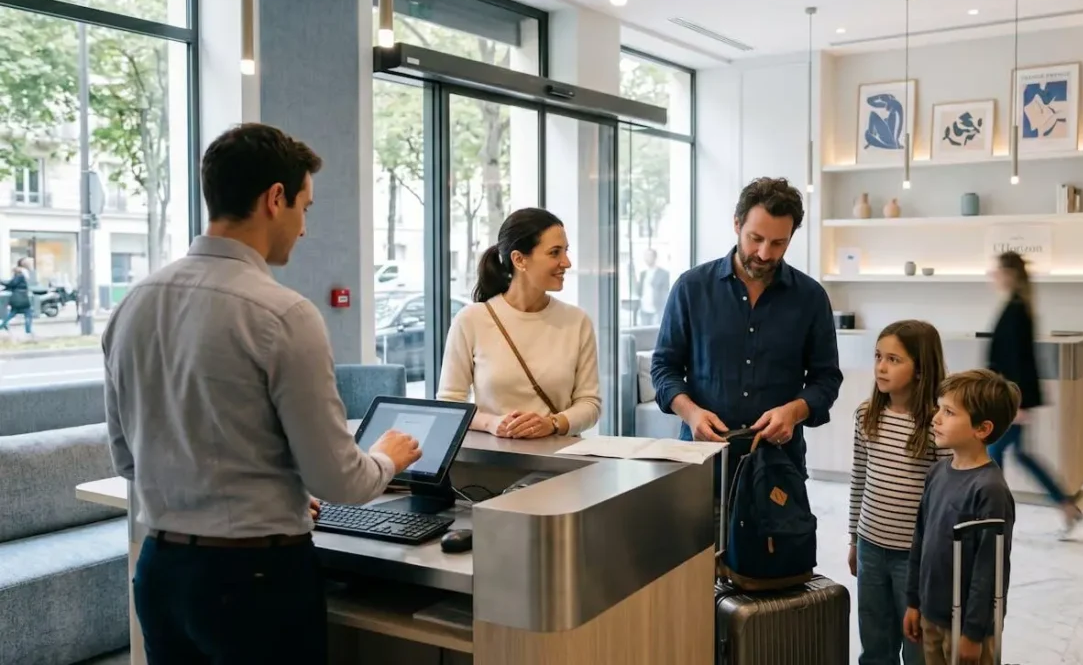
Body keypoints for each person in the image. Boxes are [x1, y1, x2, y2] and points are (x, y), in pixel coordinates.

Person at [102, 123, 423, 664]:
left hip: (160, 571)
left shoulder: (132, 304)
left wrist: (273, 491)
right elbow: (339, 480)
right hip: (253, 581)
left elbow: (127, 460)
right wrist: (386, 458)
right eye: (304, 207)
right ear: (275, 199)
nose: (304, 228)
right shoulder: (284, 314)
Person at [650, 176, 842, 477]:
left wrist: (794, 412)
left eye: (778, 243)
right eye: (756, 238)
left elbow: (827, 378)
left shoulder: (811, 298)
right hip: (701, 461)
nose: (765, 254)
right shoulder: (691, 288)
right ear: (737, 224)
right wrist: (691, 413)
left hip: (778, 466)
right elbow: (664, 368)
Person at [438, 207, 601, 438]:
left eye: (566, 251)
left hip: (559, 454)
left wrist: (552, 423)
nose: (566, 262)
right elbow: (449, 404)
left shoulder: (577, 321)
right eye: (555, 253)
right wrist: (491, 423)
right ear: (519, 259)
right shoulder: (471, 320)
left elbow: (590, 403)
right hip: (489, 455)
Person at [850, 320, 950, 665]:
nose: (881, 367)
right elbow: (860, 478)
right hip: (870, 548)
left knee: (918, 648)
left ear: (920, 369)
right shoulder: (867, 414)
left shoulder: (937, 425)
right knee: (875, 644)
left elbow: (944, 503)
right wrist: (854, 539)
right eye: (878, 356)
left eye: (893, 359)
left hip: (915, 558)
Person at [903, 369, 1018, 665]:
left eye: (949, 412)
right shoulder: (937, 473)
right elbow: (920, 541)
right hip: (931, 615)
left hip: (968, 629)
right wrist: (913, 601)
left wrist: (974, 634)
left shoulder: (990, 490)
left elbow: (989, 570)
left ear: (982, 428)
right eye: (939, 408)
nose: (936, 418)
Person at [987, 251, 1083, 537]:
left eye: (997, 270)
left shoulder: (1016, 310)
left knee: (993, 454)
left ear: (1009, 274)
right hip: (1011, 398)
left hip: (1012, 400)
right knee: (1017, 454)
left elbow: (1018, 360)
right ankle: (1065, 504)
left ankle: (994, 515)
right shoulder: (1017, 306)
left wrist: (1015, 404)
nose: (993, 275)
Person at [636, 247, 670, 326]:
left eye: (649, 255)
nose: (646, 258)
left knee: (655, 331)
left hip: (657, 311)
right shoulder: (643, 274)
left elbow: (665, 293)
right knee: (644, 331)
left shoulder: (663, 273)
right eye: (645, 256)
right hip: (644, 310)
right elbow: (639, 291)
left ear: (655, 257)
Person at [0, 261, 34, 337]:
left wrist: (2, 284)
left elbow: (11, 284)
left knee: (11, 314)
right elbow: (12, 284)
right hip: (22, 299)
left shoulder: (18, 277)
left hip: (17, 298)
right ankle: (28, 332)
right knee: (28, 314)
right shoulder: (21, 277)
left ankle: (1, 326)